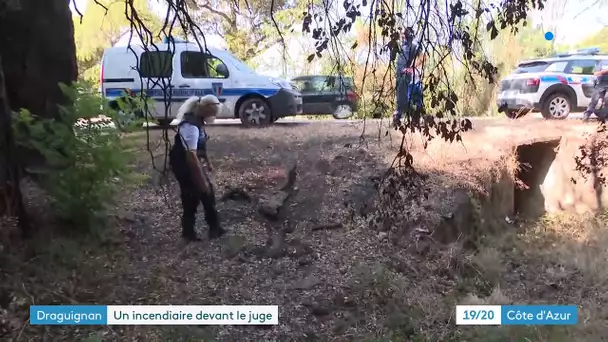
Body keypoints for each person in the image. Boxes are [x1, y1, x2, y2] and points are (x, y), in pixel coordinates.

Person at [169, 95, 225, 241]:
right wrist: (201, 179)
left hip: (189, 159)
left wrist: (208, 162)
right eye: (213, 113)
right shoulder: (190, 127)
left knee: (207, 193)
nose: (213, 117)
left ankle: (215, 227)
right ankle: (188, 232)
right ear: (206, 110)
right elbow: (191, 156)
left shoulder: (197, 121)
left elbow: (201, 146)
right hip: (183, 163)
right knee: (192, 195)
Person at [393, 27, 424, 127]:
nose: (402, 36)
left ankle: (414, 117)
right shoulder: (403, 46)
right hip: (399, 75)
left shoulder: (414, 45)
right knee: (400, 97)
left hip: (408, 76)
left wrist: (412, 68)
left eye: (404, 34)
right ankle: (399, 117)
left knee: (407, 98)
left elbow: (423, 57)